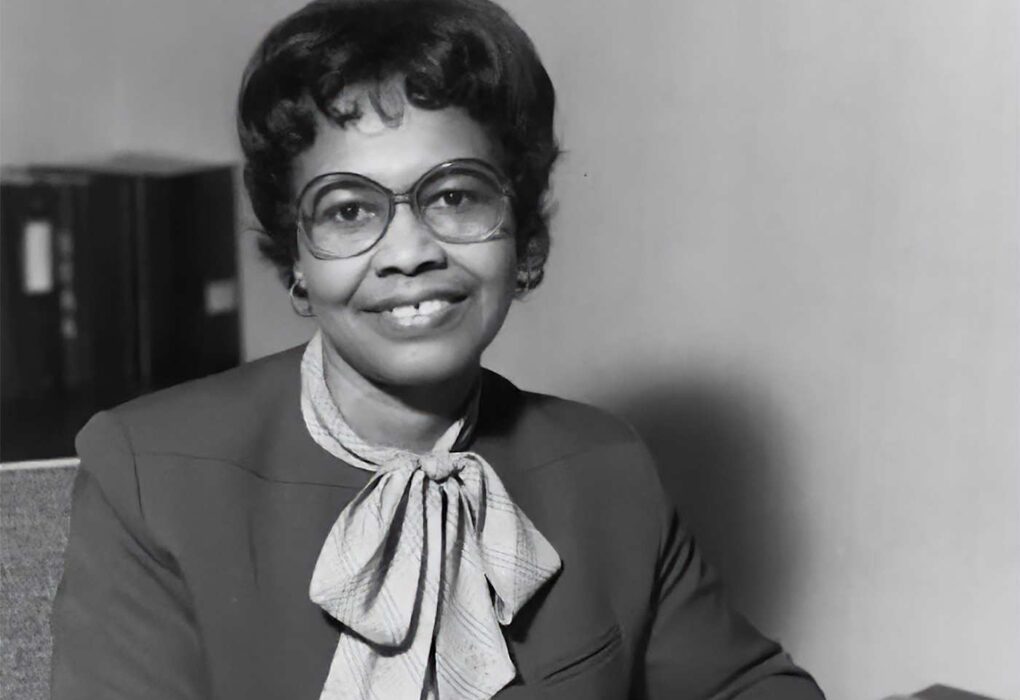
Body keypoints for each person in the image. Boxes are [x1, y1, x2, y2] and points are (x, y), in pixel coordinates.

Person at [50, 0, 825, 698]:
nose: (409, 252)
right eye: (348, 210)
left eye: (454, 196)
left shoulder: (607, 468)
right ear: (296, 261)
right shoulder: (148, 475)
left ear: (523, 238)